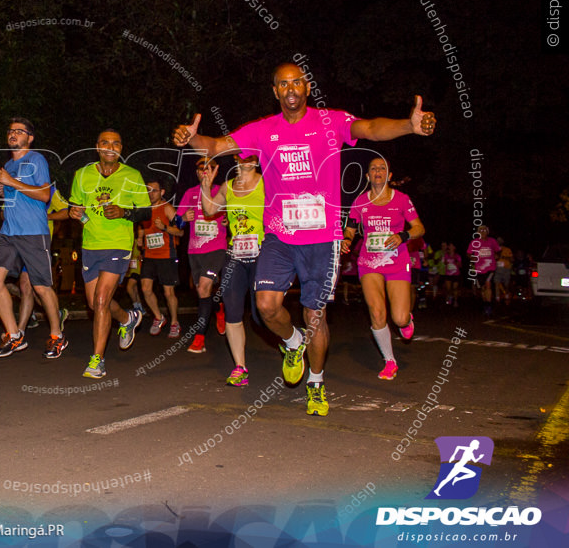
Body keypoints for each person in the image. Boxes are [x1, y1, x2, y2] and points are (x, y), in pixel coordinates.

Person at [174, 62, 436, 416]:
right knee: (265, 306)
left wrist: (409, 125)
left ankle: (315, 382)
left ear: (307, 87)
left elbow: (371, 128)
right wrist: (194, 140)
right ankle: (292, 342)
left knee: (316, 316)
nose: (291, 88)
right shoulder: (263, 130)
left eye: (297, 81)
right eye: (283, 84)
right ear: (275, 92)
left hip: (322, 239)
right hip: (280, 236)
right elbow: (219, 145)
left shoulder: (330, 121)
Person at [68, 129, 149, 378]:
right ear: (97, 147)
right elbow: (77, 207)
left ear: (121, 149)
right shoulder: (82, 175)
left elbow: (145, 213)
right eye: (105, 142)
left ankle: (97, 361)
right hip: (90, 245)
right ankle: (127, 318)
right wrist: (76, 214)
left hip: (118, 244)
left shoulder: (132, 175)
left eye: (116, 143)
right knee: (94, 303)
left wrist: (124, 212)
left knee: (101, 300)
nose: (110, 147)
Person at [0, 118, 68, 359]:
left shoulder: (36, 160)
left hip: (33, 232)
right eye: (10, 131)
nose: (13, 134)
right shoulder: (7, 165)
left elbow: (44, 195)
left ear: (30, 138)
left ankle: (57, 335)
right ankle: (14, 335)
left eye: (19, 132)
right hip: (9, 232)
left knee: (41, 287)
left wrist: (10, 182)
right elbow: (13, 195)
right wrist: (1, 190)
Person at [342, 157, 425, 380]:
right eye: (373, 169)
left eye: (382, 168)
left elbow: (419, 228)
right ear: (368, 176)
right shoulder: (360, 201)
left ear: (389, 176)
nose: (378, 171)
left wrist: (403, 235)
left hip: (397, 262)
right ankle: (389, 361)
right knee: (377, 312)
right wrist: (347, 240)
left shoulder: (402, 199)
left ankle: (406, 319)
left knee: (398, 319)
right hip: (369, 263)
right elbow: (350, 228)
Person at [200, 153, 265, 386]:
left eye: (251, 155)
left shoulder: (267, 183)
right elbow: (208, 211)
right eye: (242, 155)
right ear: (236, 158)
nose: (246, 159)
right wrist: (205, 187)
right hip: (235, 255)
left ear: (256, 160)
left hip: (263, 254)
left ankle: (291, 343)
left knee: (262, 314)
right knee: (232, 310)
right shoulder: (228, 186)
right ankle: (240, 367)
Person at [178, 157, 228, 354]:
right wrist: (183, 218)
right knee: (202, 291)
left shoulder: (221, 192)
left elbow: (236, 216)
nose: (205, 171)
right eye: (201, 168)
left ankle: (199, 338)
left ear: (215, 171)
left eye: (210, 168)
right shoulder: (189, 194)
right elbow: (177, 222)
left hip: (216, 248)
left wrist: (227, 223)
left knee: (204, 287)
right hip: (195, 250)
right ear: (197, 172)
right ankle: (218, 308)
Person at [139, 177, 184, 338]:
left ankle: (174, 322)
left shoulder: (167, 208)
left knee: (168, 293)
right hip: (149, 255)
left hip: (166, 255)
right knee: (145, 288)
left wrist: (164, 227)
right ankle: (158, 317)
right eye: (148, 190)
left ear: (162, 192)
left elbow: (180, 231)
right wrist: (140, 236)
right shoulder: (144, 210)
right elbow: (143, 229)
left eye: (155, 190)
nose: (151, 194)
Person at [468, 225, 499, 317]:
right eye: (481, 230)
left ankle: (489, 307)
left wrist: (497, 255)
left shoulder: (492, 241)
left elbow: (498, 250)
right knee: (483, 289)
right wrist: (472, 257)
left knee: (488, 284)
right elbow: (468, 253)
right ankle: (485, 305)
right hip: (479, 269)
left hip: (490, 267)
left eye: (485, 230)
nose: (483, 231)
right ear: (478, 232)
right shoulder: (475, 242)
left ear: (487, 232)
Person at [494, 238, 514, 306]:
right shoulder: (494, 249)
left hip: (506, 268)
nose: (499, 242)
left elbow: (512, 259)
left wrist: (503, 257)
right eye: (497, 241)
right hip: (498, 268)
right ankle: (497, 298)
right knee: (497, 282)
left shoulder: (507, 249)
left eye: (500, 241)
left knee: (506, 284)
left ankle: (507, 296)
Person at [442, 242, 462, 307]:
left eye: (451, 246)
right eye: (449, 246)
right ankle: (449, 297)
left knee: (455, 288)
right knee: (448, 288)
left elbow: (460, 265)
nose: (449, 247)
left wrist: (456, 261)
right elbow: (444, 263)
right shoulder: (446, 255)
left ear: (454, 248)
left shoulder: (457, 256)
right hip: (448, 274)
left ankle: (455, 301)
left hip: (456, 274)